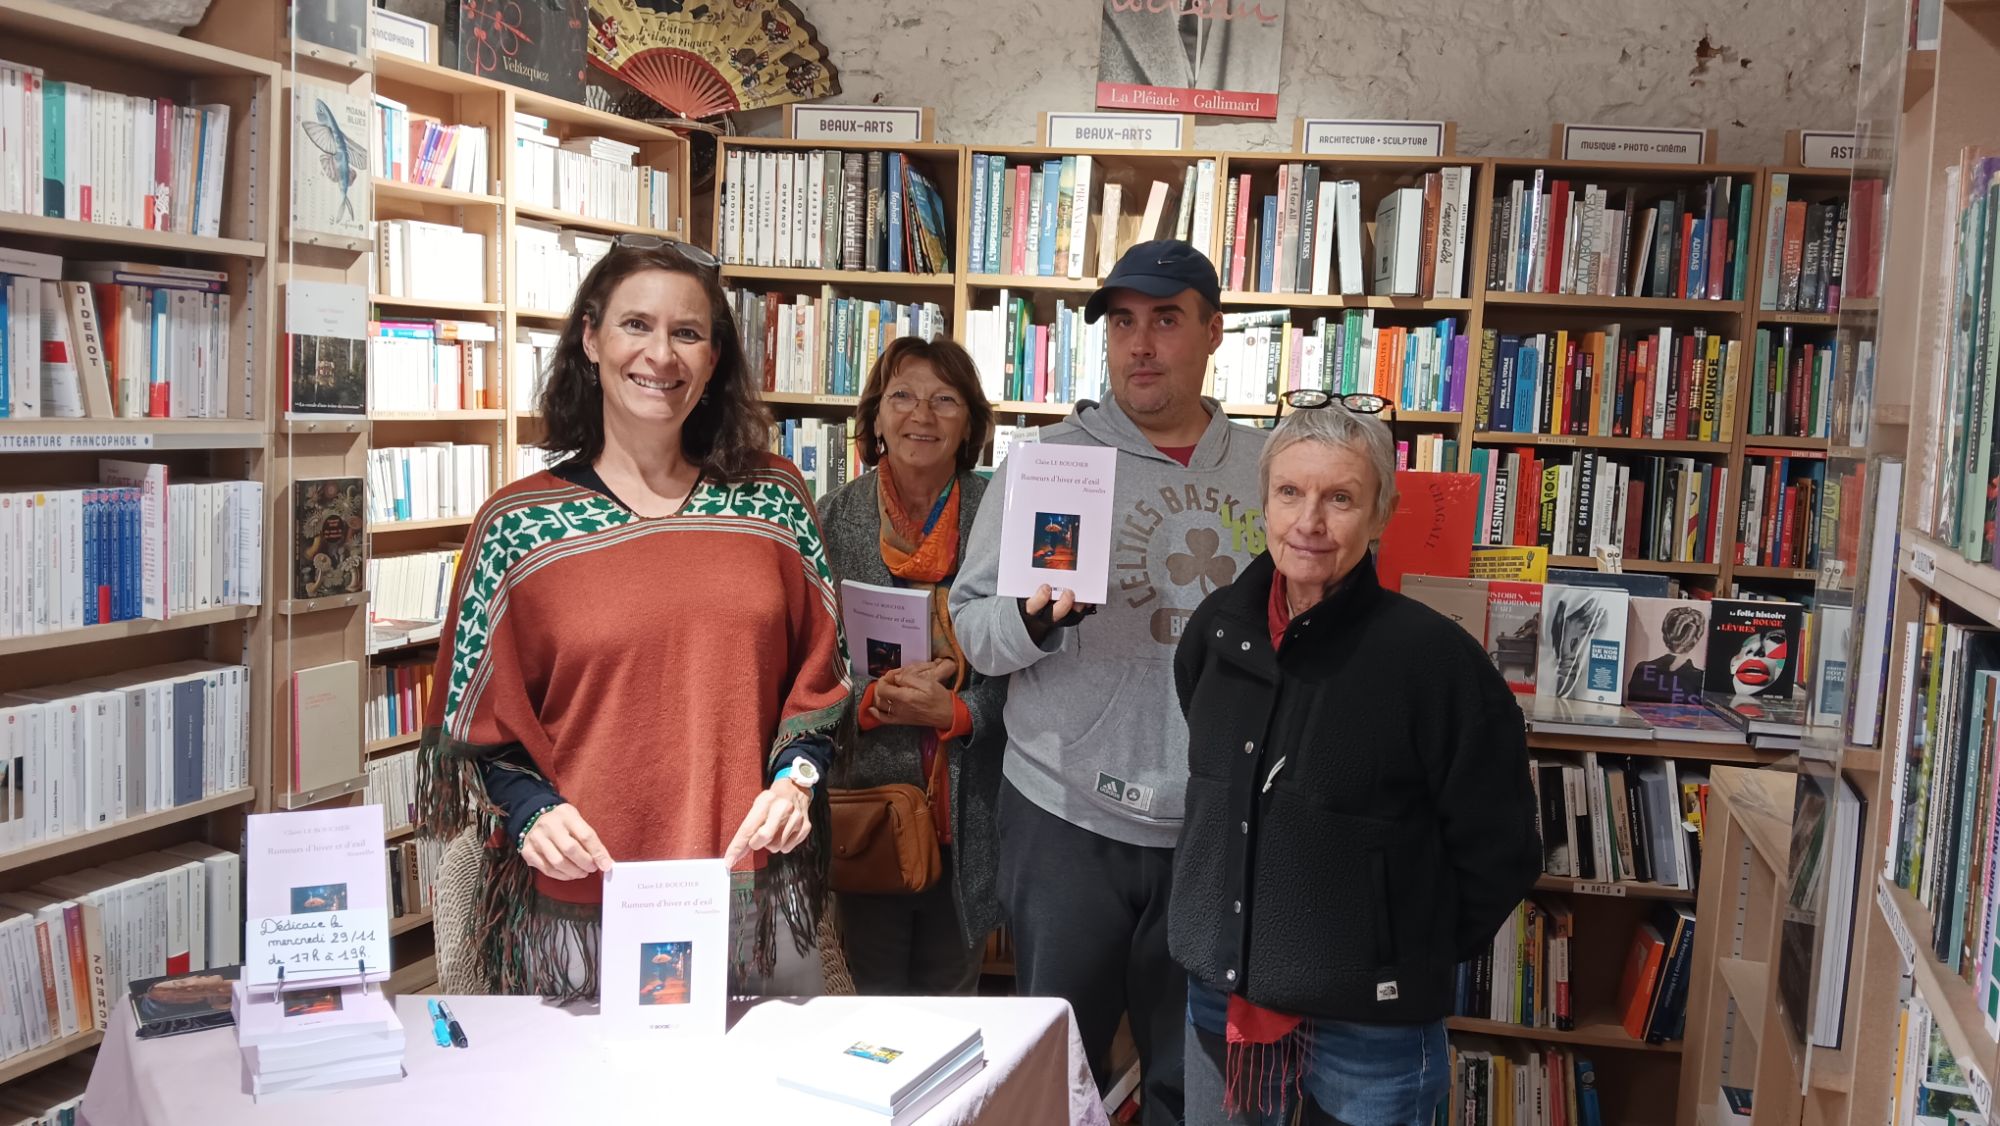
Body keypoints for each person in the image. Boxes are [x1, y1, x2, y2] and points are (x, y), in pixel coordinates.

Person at [415, 236, 850, 1001]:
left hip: (750, 902)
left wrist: (795, 781)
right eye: (636, 326)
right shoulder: (516, 526)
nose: (661, 355)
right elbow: (473, 724)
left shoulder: (775, 501)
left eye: (687, 333)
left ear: (714, 359)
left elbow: (824, 678)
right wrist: (531, 811)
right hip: (581, 908)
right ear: (590, 338)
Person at [950, 240, 1267, 1125]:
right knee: (1055, 1077)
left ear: (1212, 331)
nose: (1140, 344)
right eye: (1122, 322)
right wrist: (1034, 620)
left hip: (1211, 825)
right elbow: (973, 631)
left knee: (1190, 1081)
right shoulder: (1050, 463)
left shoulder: (1271, 468)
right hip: (1063, 817)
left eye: (1165, 320)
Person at [1171, 399, 1542, 1125]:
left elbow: (1500, 848)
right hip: (1224, 996)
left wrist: (1401, 950)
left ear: (1379, 516)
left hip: (1370, 1026)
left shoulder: (1436, 662)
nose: (1309, 522)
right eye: (1290, 493)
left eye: (1339, 498)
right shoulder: (1216, 630)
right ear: (1265, 500)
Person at [816, 336, 1007, 996]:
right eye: (902, 396)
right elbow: (809, 664)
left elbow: (1038, 659)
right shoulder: (834, 517)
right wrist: (869, 702)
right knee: (867, 1007)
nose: (921, 415)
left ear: (972, 424)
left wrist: (959, 711)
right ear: (872, 420)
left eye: (944, 399)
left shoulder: (1002, 516)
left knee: (951, 1004)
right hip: (868, 808)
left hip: (971, 802)